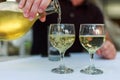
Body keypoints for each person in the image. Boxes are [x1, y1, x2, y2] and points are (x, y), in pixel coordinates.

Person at [18, 0, 116, 59]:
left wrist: (108, 48)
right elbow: (19, 4)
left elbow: (104, 40)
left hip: (75, 68)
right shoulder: (49, 2)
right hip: (37, 65)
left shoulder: (94, 11)